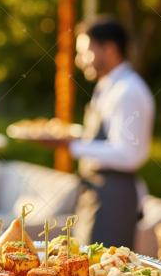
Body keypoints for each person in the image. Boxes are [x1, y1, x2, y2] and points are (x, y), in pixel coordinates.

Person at [48, 18, 154, 248]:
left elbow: (130, 154)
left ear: (110, 49)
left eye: (85, 52)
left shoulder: (128, 91)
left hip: (114, 197)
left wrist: (71, 145)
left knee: (102, 275)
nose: (79, 60)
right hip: (98, 193)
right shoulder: (109, 86)